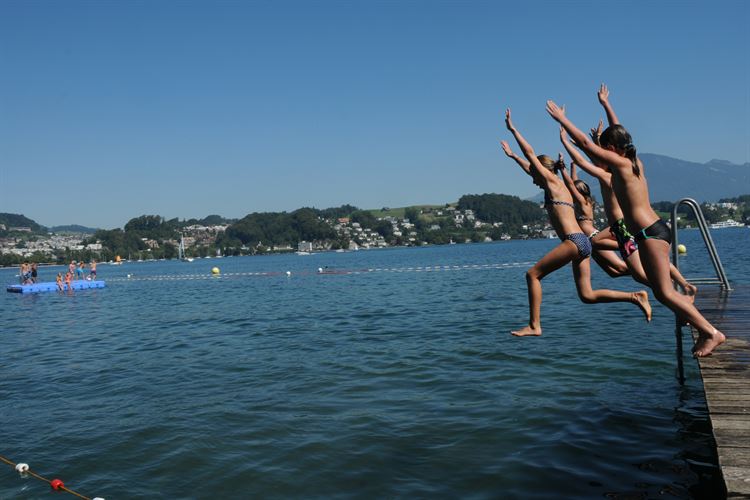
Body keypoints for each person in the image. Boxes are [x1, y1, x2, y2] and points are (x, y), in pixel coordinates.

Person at [547, 92, 725, 357]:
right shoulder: (632, 160)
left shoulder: (620, 163)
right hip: (651, 231)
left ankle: (710, 332)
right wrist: (607, 106)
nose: (603, 152)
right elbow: (620, 134)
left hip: (649, 233)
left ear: (615, 149)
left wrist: (563, 120)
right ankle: (690, 313)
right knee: (658, 287)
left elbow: (585, 144)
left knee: (663, 292)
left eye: (606, 148)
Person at [501, 109, 651, 337]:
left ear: (542, 171)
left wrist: (513, 130)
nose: (532, 180)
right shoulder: (556, 184)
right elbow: (529, 164)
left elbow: (531, 154)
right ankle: (635, 296)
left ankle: (534, 325)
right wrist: (513, 158)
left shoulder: (552, 182)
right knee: (587, 295)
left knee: (532, 275)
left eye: (534, 174)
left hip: (574, 241)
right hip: (582, 244)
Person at [560, 125, 697, 299]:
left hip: (621, 225)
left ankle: (677, 289)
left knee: (640, 274)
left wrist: (566, 142)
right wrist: (595, 140)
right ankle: (679, 286)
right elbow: (599, 157)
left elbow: (586, 161)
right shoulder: (613, 174)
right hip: (621, 227)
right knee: (629, 266)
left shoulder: (608, 177)